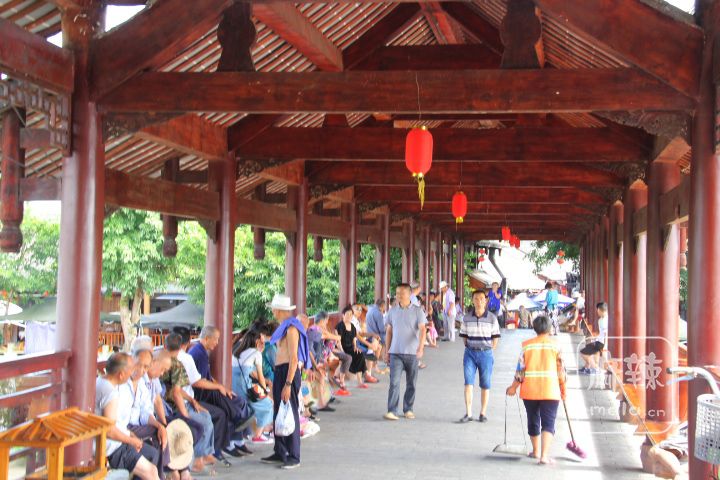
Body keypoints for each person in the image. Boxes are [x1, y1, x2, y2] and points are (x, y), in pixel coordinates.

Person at [185, 326, 253, 461]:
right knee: (226, 407)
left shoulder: (201, 351)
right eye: (215, 339)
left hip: (206, 390)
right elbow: (198, 382)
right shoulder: (198, 353)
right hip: (199, 395)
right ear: (206, 338)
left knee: (236, 400)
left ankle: (238, 432)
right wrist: (219, 387)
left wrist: (223, 387)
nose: (217, 343)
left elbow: (208, 377)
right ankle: (238, 421)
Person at [506, 316, 567, 465]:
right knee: (548, 422)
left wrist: (513, 387)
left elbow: (520, 371)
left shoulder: (527, 346)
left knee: (533, 419)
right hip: (550, 391)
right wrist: (563, 389)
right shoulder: (556, 346)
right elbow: (561, 372)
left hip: (530, 391)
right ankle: (544, 456)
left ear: (534, 328)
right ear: (550, 328)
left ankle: (536, 451)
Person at [161, 333, 225, 470]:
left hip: (178, 402)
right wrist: (185, 415)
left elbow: (177, 390)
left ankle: (205, 454)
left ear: (165, 346)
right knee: (201, 424)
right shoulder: (176, 364)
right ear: (182, 346)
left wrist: (192, 400)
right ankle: (196, 458)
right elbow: (177, 392)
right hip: (173, 406)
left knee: (206, 416)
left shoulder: (166, 360)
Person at [261, 293, 310, 470]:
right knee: (278, 412)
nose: (272, 312)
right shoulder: (283, 327)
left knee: (291, 412)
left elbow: (294, 358)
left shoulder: (291, 329)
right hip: (280, 371)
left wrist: (288, 384)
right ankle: (280, 450)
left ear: (279, 310)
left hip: (288, 372)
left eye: (274, 309)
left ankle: (294, 455)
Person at [96, 352, 160, 480]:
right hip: (111, 449)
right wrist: (132, 441)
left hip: (112, 443)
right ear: (121, 375)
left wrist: (130, 435)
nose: (133, 372)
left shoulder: (100, 381)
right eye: (130, 369)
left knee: (152, 461)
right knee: (151, 472)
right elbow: (109, 431)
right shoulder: (111, 393)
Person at [383, 283, 427, 421]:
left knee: (411, 383)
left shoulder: (417, 311)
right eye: (397, 293)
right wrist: (387, 350)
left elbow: (423, 330)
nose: (398, 296)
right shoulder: (392, 311)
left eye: (402, 293)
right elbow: (389, 331)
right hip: (395, 352)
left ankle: (408, 409)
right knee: (394, 382)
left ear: (409, 294)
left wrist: (420, 348)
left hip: (412, 353)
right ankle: (392, 411)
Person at [457, 290, 501, 423]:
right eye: (476, 298)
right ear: (472, 300)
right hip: (470, 353)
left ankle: (483, 413)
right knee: (468, 383)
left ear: (486, 301)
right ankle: (469, 413)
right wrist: (470, 347)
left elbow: (495, 338)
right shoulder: (466, 318)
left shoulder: (492, 318)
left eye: (482, 299)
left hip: (486, 354)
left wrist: (489, 350)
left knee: (485, 384)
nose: (479, 301)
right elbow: (464, 337)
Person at [232, 328, 275, 444]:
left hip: (233, 386)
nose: (264, 343)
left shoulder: (237, 352)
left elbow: (247, 371)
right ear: (257, 342)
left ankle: (259, 431)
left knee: (253, 407)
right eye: (262, 341)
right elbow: (260, 377)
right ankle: (258, 435)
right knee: (268, 404)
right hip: (245, 387)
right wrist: (265, 393)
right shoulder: (256, 353)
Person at [336, 305, 369, 389]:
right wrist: (342, 351)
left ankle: (360, 382)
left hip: (350, 348)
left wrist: (355, 347)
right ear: (343, 315)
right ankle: (341, 380)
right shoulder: (340, 326)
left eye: (351, 314)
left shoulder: (352, 326)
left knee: (360, 355)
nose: (349, 316)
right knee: (347, 358)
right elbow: (338, 341)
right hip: (342, 348)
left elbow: (354, 339)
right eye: (347, 314)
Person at [579, 302, 609, 374]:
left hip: (601, 343)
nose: (597, 312)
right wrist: (596, 336)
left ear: (599, 310)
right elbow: (602, 333)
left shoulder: (604, 320)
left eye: (597, 310)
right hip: (599, 341)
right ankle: (588, 367)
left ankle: (595, 368)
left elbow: (606, 334)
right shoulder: (602, 320)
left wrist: (605, 345)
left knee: (583, 353)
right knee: (591, 352)